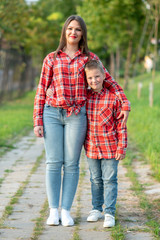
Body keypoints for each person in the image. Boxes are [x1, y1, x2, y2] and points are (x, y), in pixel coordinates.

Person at [33, 15, 130, 227]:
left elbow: (110, 82)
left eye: (77, 29)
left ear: (82, 33)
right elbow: (41, 89)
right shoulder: (51, 58)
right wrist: (37, 119)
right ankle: (53, 211)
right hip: (51, 113)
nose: (73, 33)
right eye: (70, 29)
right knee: (53, 162)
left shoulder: (89, 59)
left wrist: (124, 103)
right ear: (64, 32)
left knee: (71, 163)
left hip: (77, 115)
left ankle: (66, 210)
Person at [83, 60, 127, 228]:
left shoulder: (113, 98)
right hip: (92, 147)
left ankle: (109, 212)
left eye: (97, 77)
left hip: (110, 148)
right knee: (95, 179)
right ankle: (95, 209)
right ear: (86, 80)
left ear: (104, 76)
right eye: (90, 78)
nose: (94, 81)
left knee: (110, 179)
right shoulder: (85, 97)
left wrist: (121, 147)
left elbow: (121, 125)